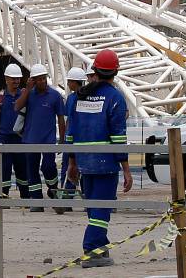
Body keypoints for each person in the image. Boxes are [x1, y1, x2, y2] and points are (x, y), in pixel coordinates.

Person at [66, 49, 131, 268]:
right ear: (115, 72)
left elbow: (71, 133)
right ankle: (91, 250)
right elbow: (118, 137)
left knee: (94, 209)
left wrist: (72, 163)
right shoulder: (115, 98)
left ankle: (100, 248)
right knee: (101, 210)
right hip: (105, 163)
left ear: (95, 70)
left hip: (84, 162)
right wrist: (127, 169)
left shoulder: (79, 97)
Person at [15, 63, 65, 211]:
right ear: (33, 80)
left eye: (44, 78)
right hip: (29, 139)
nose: (42, 81)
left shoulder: (55, 96)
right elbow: (17, 107)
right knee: (32, 170)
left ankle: (53, 188)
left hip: (48, 139)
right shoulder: (28, 94)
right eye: (39, 79)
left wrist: (62, 140)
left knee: (48, 166)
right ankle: (36, 200)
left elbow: (61, 118)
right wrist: (27, 89)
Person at [0, 63, 29, 199]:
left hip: (21, 139)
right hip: (4, 139)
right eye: (13, 79)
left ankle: (25, 198)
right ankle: (3, 197)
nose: (16, 81)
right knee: (3, 170)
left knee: (23, 170)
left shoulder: (25, 95)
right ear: (6, 79)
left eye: (18, 78)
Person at [54, 66, 87, 214]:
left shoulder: (80, 98)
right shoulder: (72, 98)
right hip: (72, 138)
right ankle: (67, 198)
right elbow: (68, 120)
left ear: (76, 82)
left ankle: (79, 199)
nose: (68, 84)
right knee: (68, 168)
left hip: (78, 139)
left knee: (79, 168)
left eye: (70, 81)